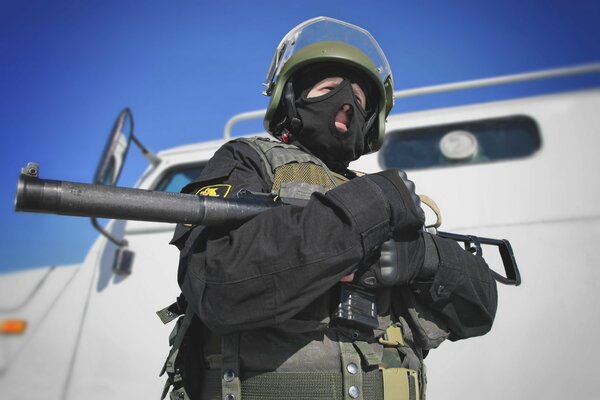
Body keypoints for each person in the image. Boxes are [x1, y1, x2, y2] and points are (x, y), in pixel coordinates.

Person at [160, 16, 498, 400]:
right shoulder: (247, 160)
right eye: (328, 87)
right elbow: (218, 284)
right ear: (292, 98)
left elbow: (480, 309)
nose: (347, 103)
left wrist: (421, 257)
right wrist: (375, 203)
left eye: (359, 95)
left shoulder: (387, 196)